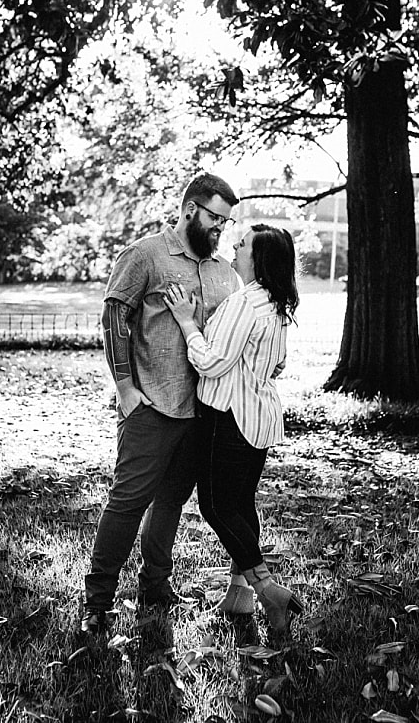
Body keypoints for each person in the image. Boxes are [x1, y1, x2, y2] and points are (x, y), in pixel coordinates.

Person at [81, 172, 240, 634]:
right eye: (214, 218)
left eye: (225, 223)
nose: (219, 229)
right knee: (128, 503)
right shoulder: (145, 255)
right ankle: (98, 600)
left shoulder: (223, 272)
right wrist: (127, 390)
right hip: (151, 405)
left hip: (201, 411)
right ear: (190, 209)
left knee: (171, 501)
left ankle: (154, 584)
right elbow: (114, 318)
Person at [162, 223, 304, 634]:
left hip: (228, 418)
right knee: (240, 505)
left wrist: (188, 323)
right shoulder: (277, 303)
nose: (235, 246)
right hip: (258, 417)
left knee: (216, 505)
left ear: (257, 259)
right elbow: (276, 362)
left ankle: (266, 589)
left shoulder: (246, 303)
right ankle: (239, 597)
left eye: (242, 244)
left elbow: (210, 362)